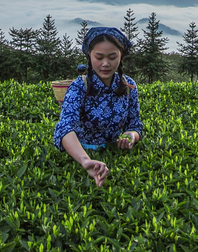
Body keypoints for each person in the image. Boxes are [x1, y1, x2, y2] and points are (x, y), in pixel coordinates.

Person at [53, 27, 143, 188]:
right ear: (89, 56)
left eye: (112, 57)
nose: (106, 64)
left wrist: (130, 137)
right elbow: (65, 128)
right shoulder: (79, 87)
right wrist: (85, 160)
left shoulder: (128, 86)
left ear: (121, 56)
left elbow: (135, 124)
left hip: (116, 157)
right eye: (99, 57)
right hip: (82, 155)